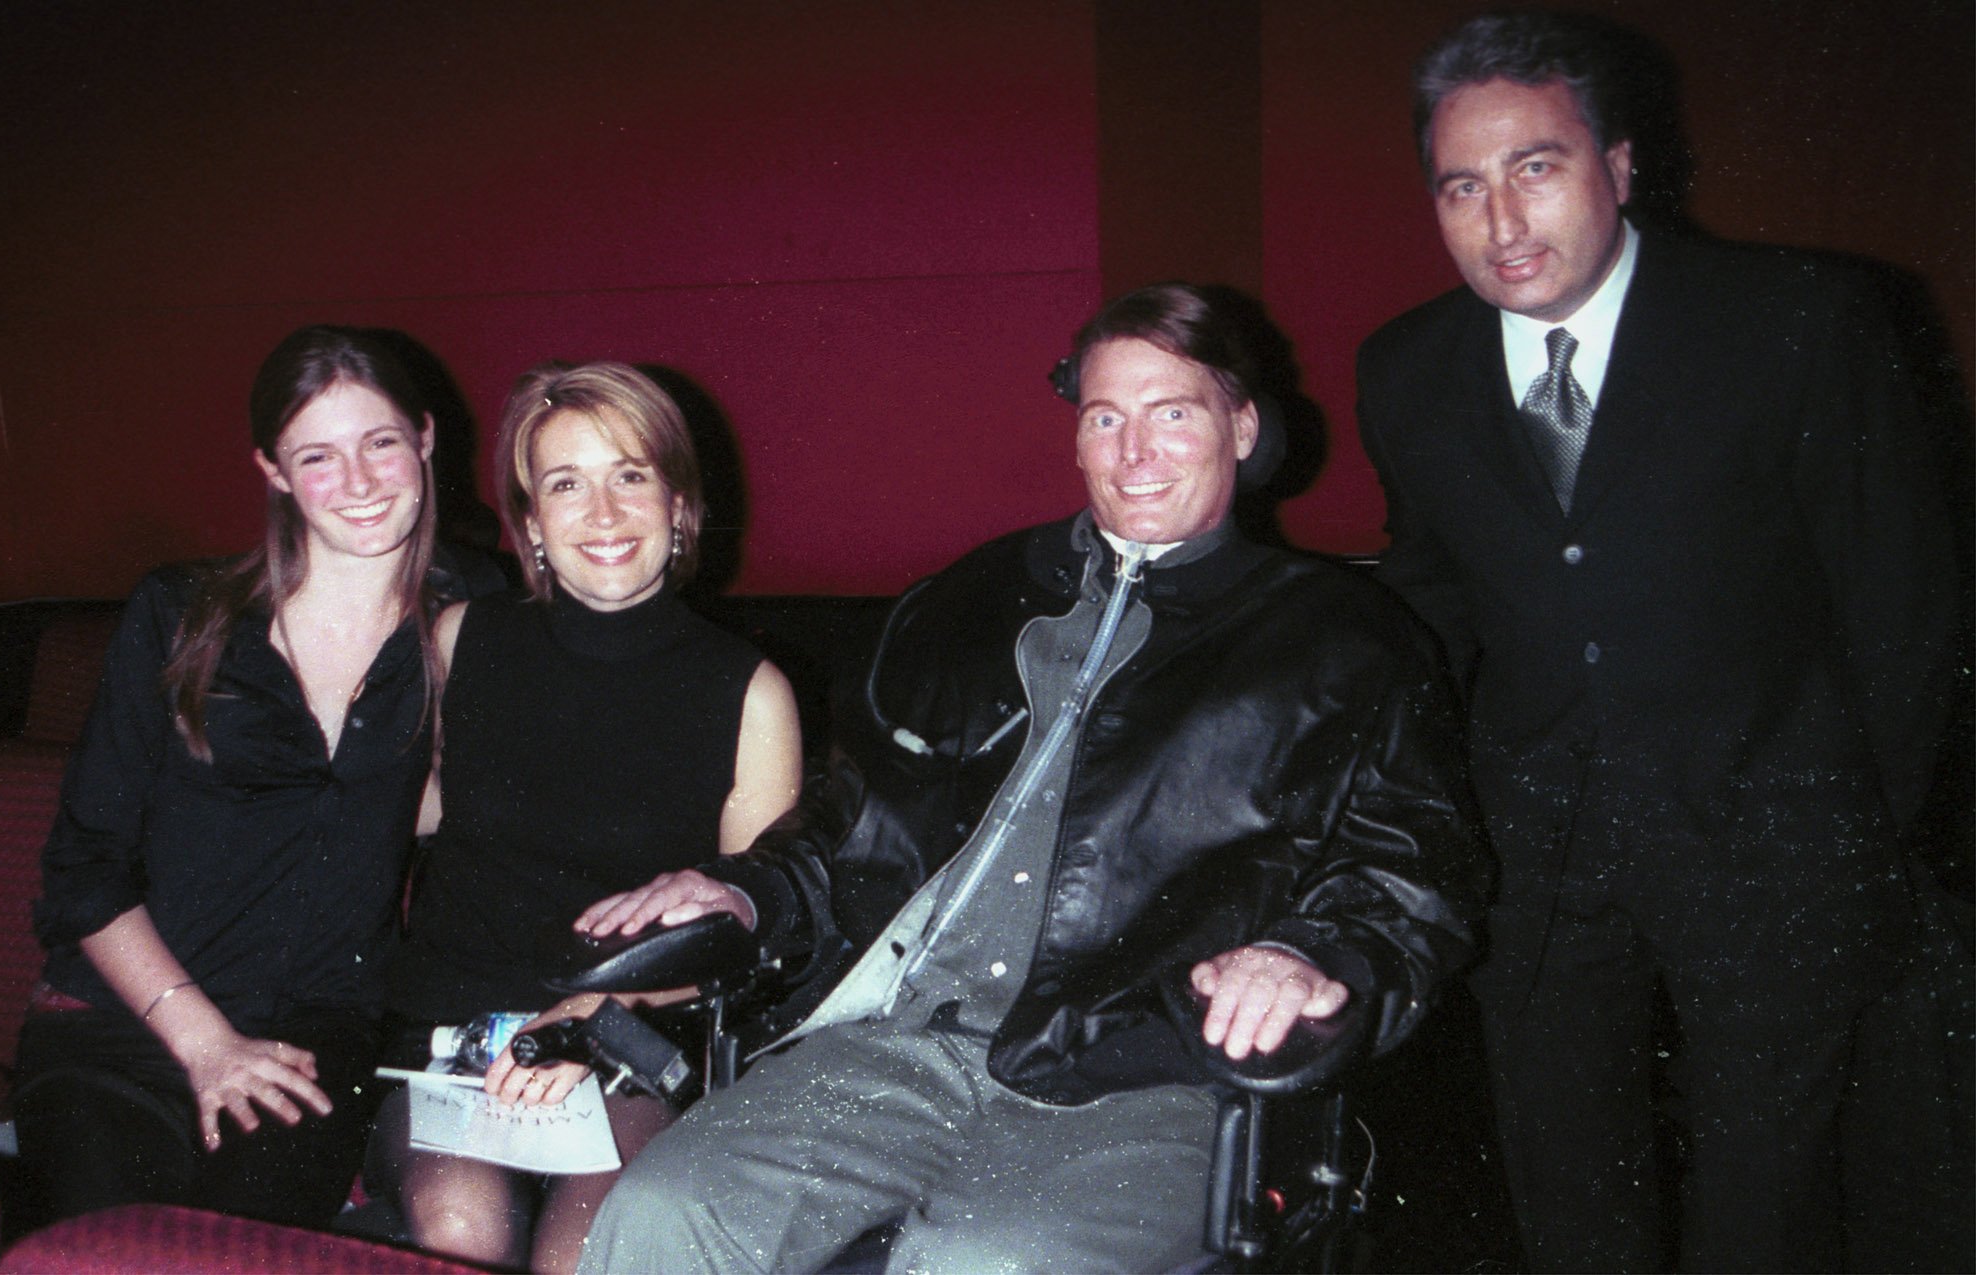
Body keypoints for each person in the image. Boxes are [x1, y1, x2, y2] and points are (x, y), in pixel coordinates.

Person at [575, 283, 1490, 1274]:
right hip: (898, 1042)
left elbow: (1414, 871)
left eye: (1171, 414)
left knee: (982, 1261)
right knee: (664, 1208)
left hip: (1150, 1071)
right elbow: (848, 825)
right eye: (1105, 418)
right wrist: (741, 887)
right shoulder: (967, 604)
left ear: (1240, 426)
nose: (1134, 451)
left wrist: (1311, 953)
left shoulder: (1342, 640)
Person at [1354, 12, 1962, 1271]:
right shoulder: (1404, 368)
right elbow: (1430, 610)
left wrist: (1861, 837)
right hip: (1532, 854)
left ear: (1618, 168)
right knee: (1561, 1172)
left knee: (1770, 1187)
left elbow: (1905, 609)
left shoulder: (1797, 318)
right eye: (1460, 187)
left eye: (1537, 166)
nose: (1501, 221)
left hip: (1775, 841)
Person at [16, 325, 454, 1227]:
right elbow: (81, 869)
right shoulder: (183, 615)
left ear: (425, 438)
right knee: (108, 1247)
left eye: (380, 442)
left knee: (237, 1249)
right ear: (275, 472)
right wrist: (203, 1041)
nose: (362, 482)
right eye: (318, 457)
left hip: (314, 1038)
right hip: (123, 1022)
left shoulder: (468, 625)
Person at [372, 362, 802, 1274]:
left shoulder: (750, 692)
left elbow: (749, 946)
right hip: (458, 1029)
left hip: (629, 1033)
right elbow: (392, 813)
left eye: (630, 476)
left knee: (582, 1254)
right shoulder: (462, 639)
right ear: (531, 523)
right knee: (458, 1220)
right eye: (566, 484)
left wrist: (596, 1017)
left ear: (679, 506)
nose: (602, 514)